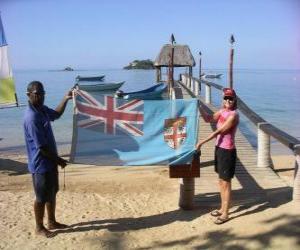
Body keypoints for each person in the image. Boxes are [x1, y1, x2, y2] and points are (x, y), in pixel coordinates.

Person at [23, 81, 72, 237]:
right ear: (29, 95)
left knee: (52, 192)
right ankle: (39, 227)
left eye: (43, 94)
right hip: (40, 164)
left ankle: (51, 221)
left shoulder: (41, 109)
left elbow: (56, 114)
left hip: (50, 161)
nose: (41, 97)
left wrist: (65, 98)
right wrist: (59, 160)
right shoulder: (32, 117)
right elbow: (42, 148)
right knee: (41, 197)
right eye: (37, 94)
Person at [196, 88, 239, 224]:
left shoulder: (233, 115)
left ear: (234, 100)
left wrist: (201, 143)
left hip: (228, 151)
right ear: (223, 99)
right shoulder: (222, 111)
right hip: (219, 148)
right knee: (221, 181)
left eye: (230, 98)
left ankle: (225, 213)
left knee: (226, 182)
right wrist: (198, 106)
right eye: (226, 98)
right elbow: (208, 119)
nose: (228, 100)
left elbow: (218, 131)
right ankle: (222, 208)